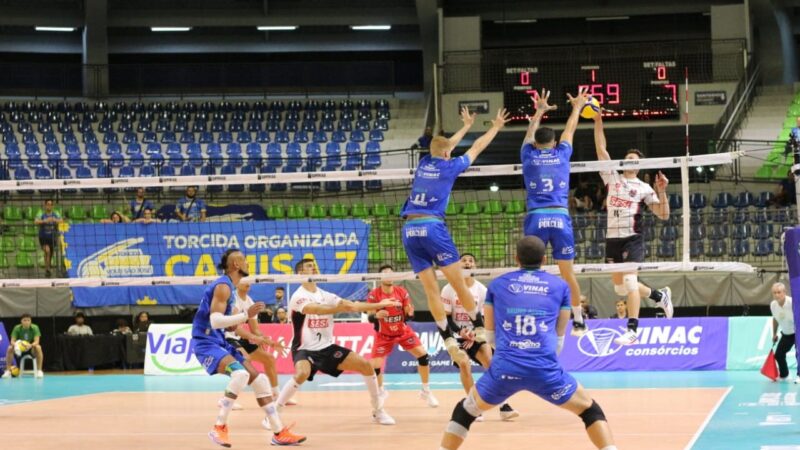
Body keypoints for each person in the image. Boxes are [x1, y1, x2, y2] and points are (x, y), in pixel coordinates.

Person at [439, 236, 617, 450]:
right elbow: (559, 336)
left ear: (516, 259)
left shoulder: (497, 285)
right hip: (545, 370)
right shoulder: (560, 286)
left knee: (465, 411)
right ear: (544, 259)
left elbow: (490, 335)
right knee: (591, 411)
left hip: (505, 369)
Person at [400, 106, 510, 361]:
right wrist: (494, 127)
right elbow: (476, 148)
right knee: (459, 282)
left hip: (409, 229)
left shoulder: (424, 162)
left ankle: (446, 336)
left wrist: (466, 126)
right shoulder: (450, 167)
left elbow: (444, 146)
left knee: (431, 291)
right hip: (431, 226)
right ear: (448, 154)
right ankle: (479, 325)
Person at [191, 249, 305, 447]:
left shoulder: (231, 291)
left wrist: (264, 340)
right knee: (240, 375)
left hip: (219, 341)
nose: (248, 264)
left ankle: (278, 432)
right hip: (205, 342)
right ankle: (219, 427)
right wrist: (245, 315)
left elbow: (232, 325)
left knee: (259, 379)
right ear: (236, 264)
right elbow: (216, 321)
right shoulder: (223, 287)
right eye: (244, 260)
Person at [276, 259, 401, 425]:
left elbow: (351, 306)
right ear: (300, 274)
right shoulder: (298, 296)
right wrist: (340, 308)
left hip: (327, 348)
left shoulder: (325, 295)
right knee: (302, 373)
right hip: (304, 349)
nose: (314, 269)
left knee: (366, 365)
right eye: (309, 267)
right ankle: (274, 413)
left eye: (315, 266)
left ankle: (378, 411)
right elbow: (316, 309)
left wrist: (379, 304)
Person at [592, 113, 674, 346]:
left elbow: (663, 214)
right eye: (627, 158)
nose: (630, 161)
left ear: (638, 165)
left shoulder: (643, 187)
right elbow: (601, 149)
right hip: (612, 239)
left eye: (634, 159)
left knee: (629, 283)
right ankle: (659, 295)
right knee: (620, 288)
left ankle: (632, 330)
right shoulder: (613, 178)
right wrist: (598, 121)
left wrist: (662, 191)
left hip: (632, 239)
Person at [521, 88, 588, 336]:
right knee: (567, 272)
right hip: (560, 216)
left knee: (530, 271)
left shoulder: (528, 155)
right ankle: (579, 320)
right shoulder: (562, 153)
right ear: (555, 143)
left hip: (536, 217)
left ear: (536, 144)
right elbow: (570, 129)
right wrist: (577, 107)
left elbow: (529, 134)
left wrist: (539, 111)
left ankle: (532, 317)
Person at [441, 253, 518, 422]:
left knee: (491, 363)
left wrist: (475, 335)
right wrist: (461, 332)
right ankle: (472, 406)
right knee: (464, 364)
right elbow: (446, 317)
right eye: (464, 261)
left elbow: (483, 319)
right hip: (456, 335)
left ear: (475, 266)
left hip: (477, 333)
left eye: (471, 261)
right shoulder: (448, 288)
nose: (468, 263)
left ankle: (504, 405)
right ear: (458, 265)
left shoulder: (481, 290)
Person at [367, 264, 438, 408]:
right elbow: (369, 317)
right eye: (386, 273)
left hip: (402, 332)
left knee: (423, 356)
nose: (389, 276)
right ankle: (381, 391)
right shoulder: (374, 294)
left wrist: (410, 313)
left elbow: (408, 314)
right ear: (380, 277)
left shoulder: (402, 292)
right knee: (374, 366)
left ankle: (426, 391)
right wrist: (376, 315)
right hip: (383, 335)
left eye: (391, 273)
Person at [224, 279, 295, 414]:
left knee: (269, 358)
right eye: (244, 280)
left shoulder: (250, 302)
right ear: (237, 284)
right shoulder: (233, 299)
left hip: (240, 337)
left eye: (249, 281)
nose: (248, 282)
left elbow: (255, 329)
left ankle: (276, 395)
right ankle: (228, 399)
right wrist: (255, 338)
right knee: (245, 360)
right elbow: (235, 328)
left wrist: (268, 341)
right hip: (226, 337)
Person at [770, 282, 798, 383]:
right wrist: (774, 334)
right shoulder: (773, 305)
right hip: (786, 334)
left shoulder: (792, 303)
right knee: (779, 355)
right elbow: (775, 319)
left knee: (798, 354)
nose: (776, 295)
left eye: (779, 292)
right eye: (774, 293)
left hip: (797, 333)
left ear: (784, 292)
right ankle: (785, 375)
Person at [2, 313, 44, 378]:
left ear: (31, 321)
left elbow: (37, 341)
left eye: (28, 320)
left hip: (30, 348)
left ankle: (39, 371)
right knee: (10, 348)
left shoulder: (35, 327)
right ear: (21, 321)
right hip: (19, 349)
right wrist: (17, 346)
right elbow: (12, 341)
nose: (26, 322)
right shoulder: (17, 328)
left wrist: (30, 345)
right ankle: (8, 371)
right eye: (24, 320)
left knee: (38, 347)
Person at [35, 199, 62, 277]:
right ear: (45, 205)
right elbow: (36, 221)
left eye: (51, 204)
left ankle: (48, 266)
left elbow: (61, 220)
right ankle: (47, 270)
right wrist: (45, 221)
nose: (49, 206)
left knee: (50, 254)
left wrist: (54, 220)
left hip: (52, 237)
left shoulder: (55, 213)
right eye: (48, 204)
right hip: (43, 237)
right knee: (47, 251)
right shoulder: (41, 213)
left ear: (52, 206)